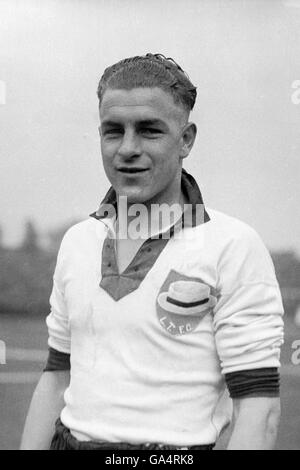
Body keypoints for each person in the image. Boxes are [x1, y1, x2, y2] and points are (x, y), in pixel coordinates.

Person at [20, 53, 284, 450]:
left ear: (186, 140)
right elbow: (57, 376)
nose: (127, 148)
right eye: (113, 131)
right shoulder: (78, 241)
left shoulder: (232, 245)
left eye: (149, 131)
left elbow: (258, 410)